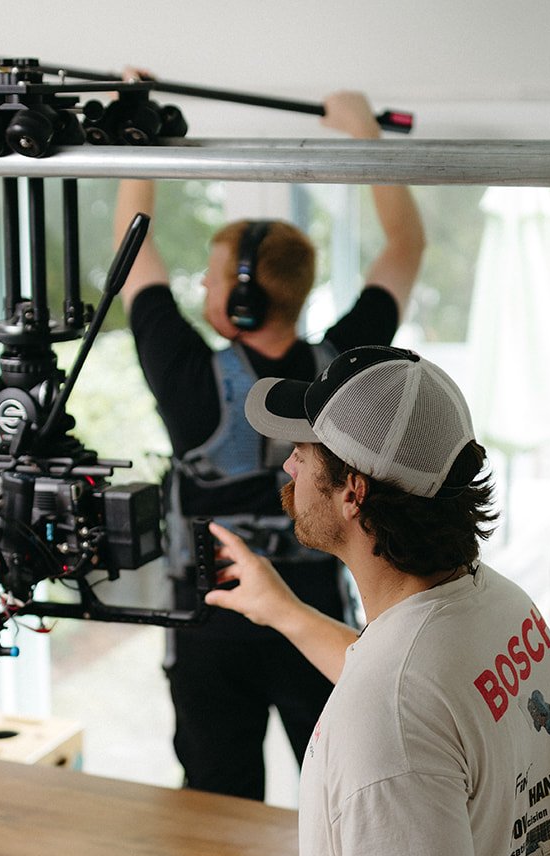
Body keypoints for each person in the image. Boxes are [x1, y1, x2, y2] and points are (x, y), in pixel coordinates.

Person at [205, 346, 550, 856]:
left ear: (352, 491)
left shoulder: (387, 712)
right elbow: (420, 695)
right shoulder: (501, 606)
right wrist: (284, 612)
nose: (288, 466)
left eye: (303, 453)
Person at [113, 87, 425, 801]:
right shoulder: (345, 367)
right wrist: (364, 133)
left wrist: (137, 132)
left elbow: (134, 248)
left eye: (215, 276)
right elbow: (406, 246)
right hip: (314, 624)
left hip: (209, 628)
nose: (204, 285)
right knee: (344, 797)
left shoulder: (189, 378)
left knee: (218, 809)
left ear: (243, 300)